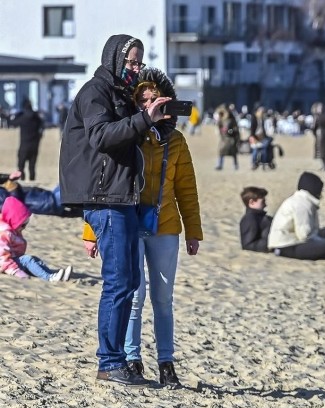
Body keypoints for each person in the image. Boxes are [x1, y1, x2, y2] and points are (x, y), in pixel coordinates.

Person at [59, 34, 171, 387]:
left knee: (131, 282)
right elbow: (102, 136)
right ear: (115, 59)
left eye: (139, 62)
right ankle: (110, 361)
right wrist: (142, 120)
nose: (137, 68)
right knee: (119, 282)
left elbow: (125, 136)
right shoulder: (96, 91)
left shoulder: (121, 96)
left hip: (122, 196)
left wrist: (151, 119)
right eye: (132, 62)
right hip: (105, 198)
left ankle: (116, 359)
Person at [82, 68, 202, 386]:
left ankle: (166, 362)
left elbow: (187, 190)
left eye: (155, 99)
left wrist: (194, 231)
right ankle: (132, 358)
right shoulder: (127, 137)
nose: (150, 104)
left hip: (165, 226)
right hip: (128, 222)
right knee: (135, 294)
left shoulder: (176, 141)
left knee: (163, 298)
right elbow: (104, 185)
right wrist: (91, 232)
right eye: (143, 100)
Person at [1, 196, 72, 282]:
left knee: (34, 259)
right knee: (28, 259)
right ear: (13, 220)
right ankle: (49, 278)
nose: (24, 228)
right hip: (6, 265)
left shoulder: (13, 230)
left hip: (13, 259)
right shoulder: (4, 233)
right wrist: (15, 271)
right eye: (22, 225)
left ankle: (53, 275)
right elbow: (3, 257)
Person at [268, 172, 325, 260]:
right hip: (287, 245)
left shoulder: (303, 200)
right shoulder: (302, 204)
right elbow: (304, 235)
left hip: (291, 242)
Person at [10, 99, 44, 181]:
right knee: (32, 164)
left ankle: (22, 178)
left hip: (24, 144)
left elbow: (13, 123)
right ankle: (32, 178)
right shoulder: (36, 117)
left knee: (21, 164)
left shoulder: (22, 117)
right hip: (34, 144)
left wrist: (18, 114)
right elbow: (42, 126)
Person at [239, 186, 272, 252]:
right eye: (263, 202)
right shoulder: (250, 219)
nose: (265, 205)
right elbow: (248, 245)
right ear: (252, 202)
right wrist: (271, 242)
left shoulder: (260, 217)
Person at [215, 105, 240, 171]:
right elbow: (219, 127)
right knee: (221, 151)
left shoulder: (232, 119)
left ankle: (235, 165)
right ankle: (219, 165)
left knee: (233, 153)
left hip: (231, 139)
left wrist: (232, 131)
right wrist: (221, 130)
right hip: (224, 139)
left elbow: (236, 128)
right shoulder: (221, 119)